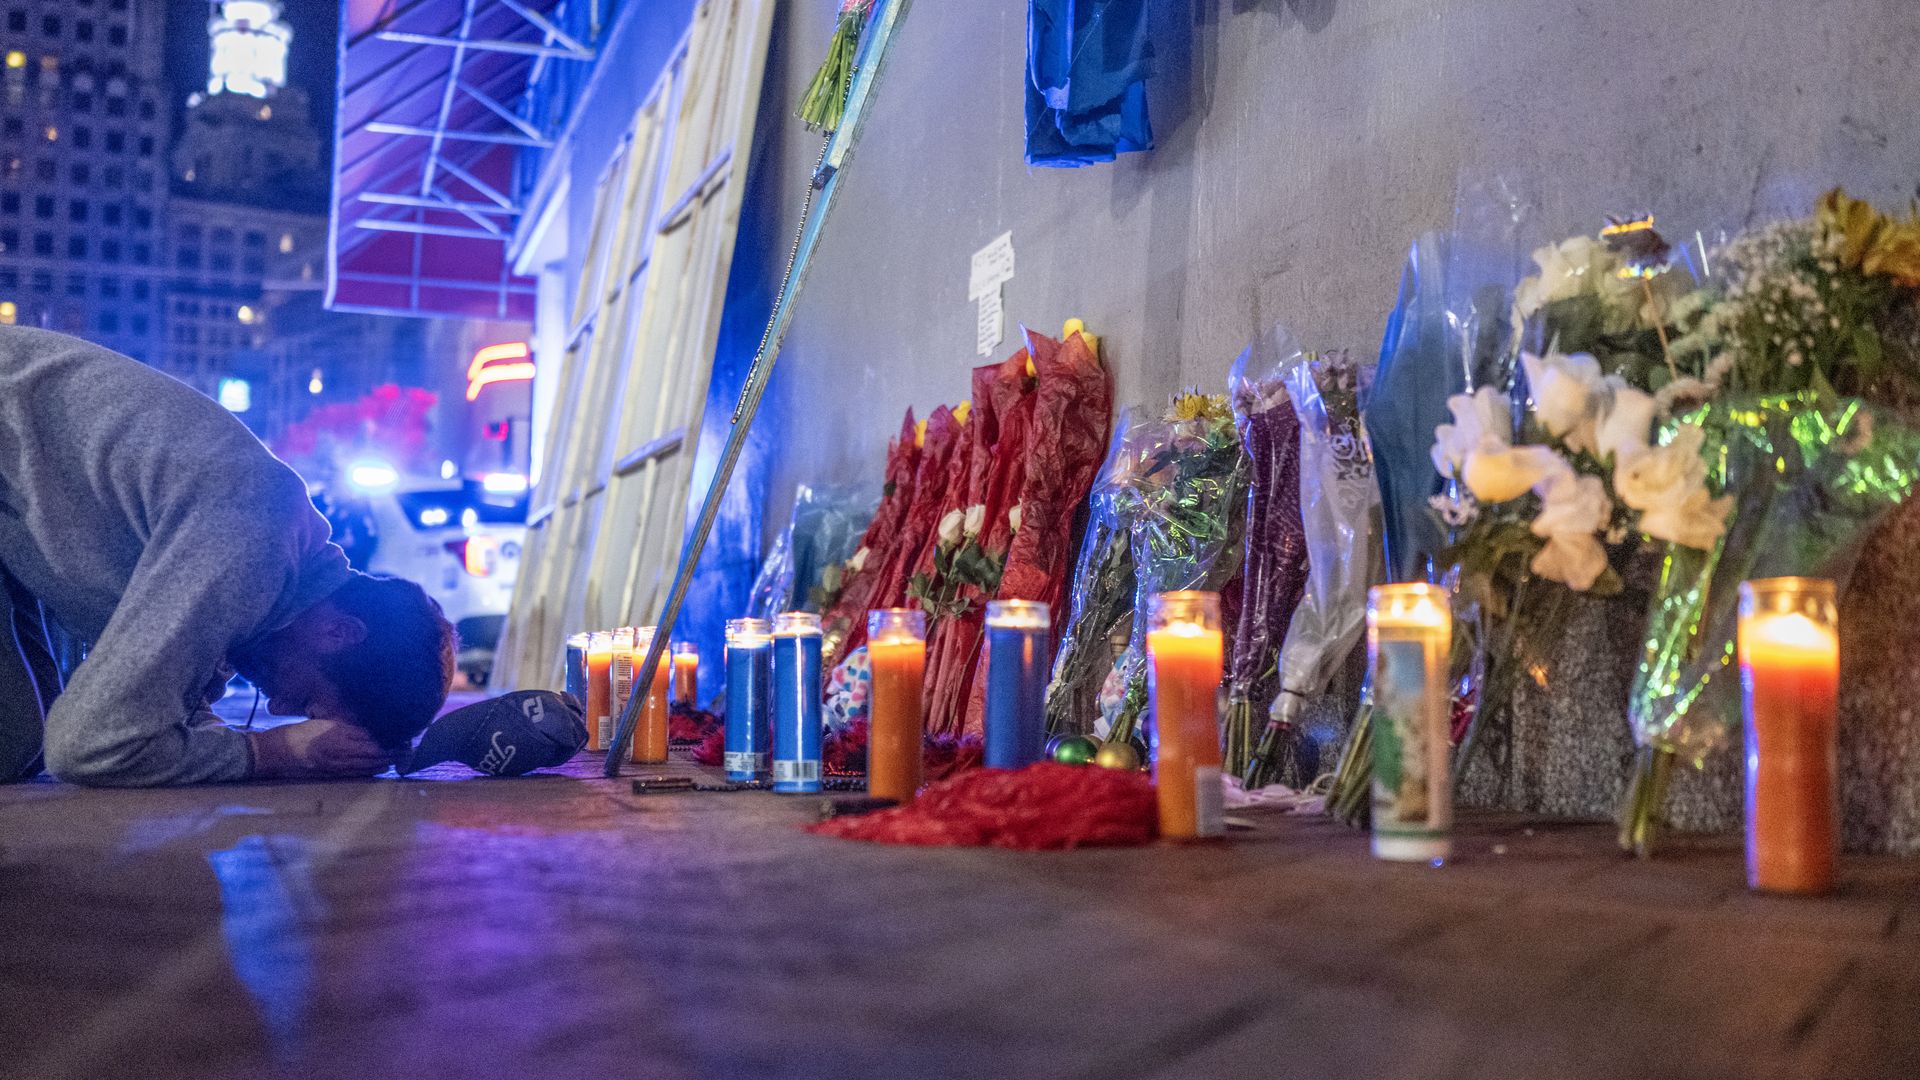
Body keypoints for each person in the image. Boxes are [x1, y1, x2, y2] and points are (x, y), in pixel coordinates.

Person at [0, 326, 456, 786]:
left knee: (15, 742)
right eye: (306, 705)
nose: (278, 709)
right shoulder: (256, 538)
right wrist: (273, 751)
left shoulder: (280, 564)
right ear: (338, 632)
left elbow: (164, 702)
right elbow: (89, 744)